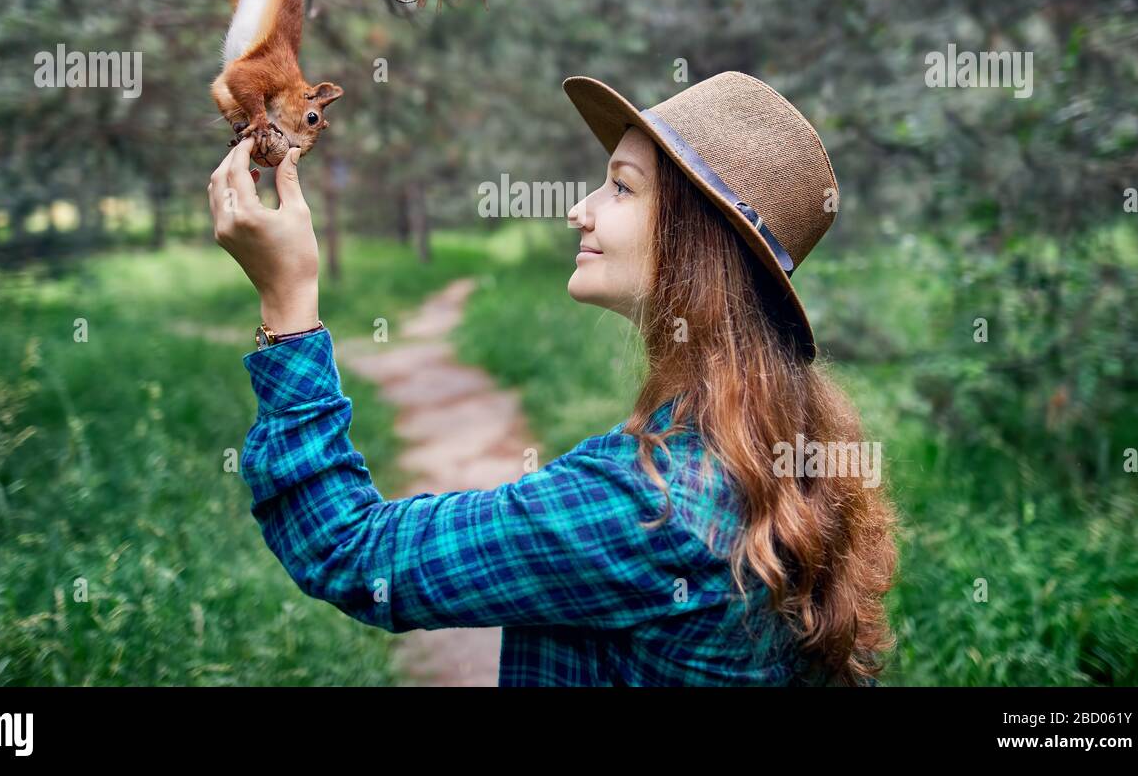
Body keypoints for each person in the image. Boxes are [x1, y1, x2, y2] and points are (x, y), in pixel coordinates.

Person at [207, 71, 898, 686]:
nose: (581, 209)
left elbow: (352, 550)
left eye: (621, 187)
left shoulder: (648, 506)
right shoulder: (779, 442)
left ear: (696, 237)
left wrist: (288, 305)